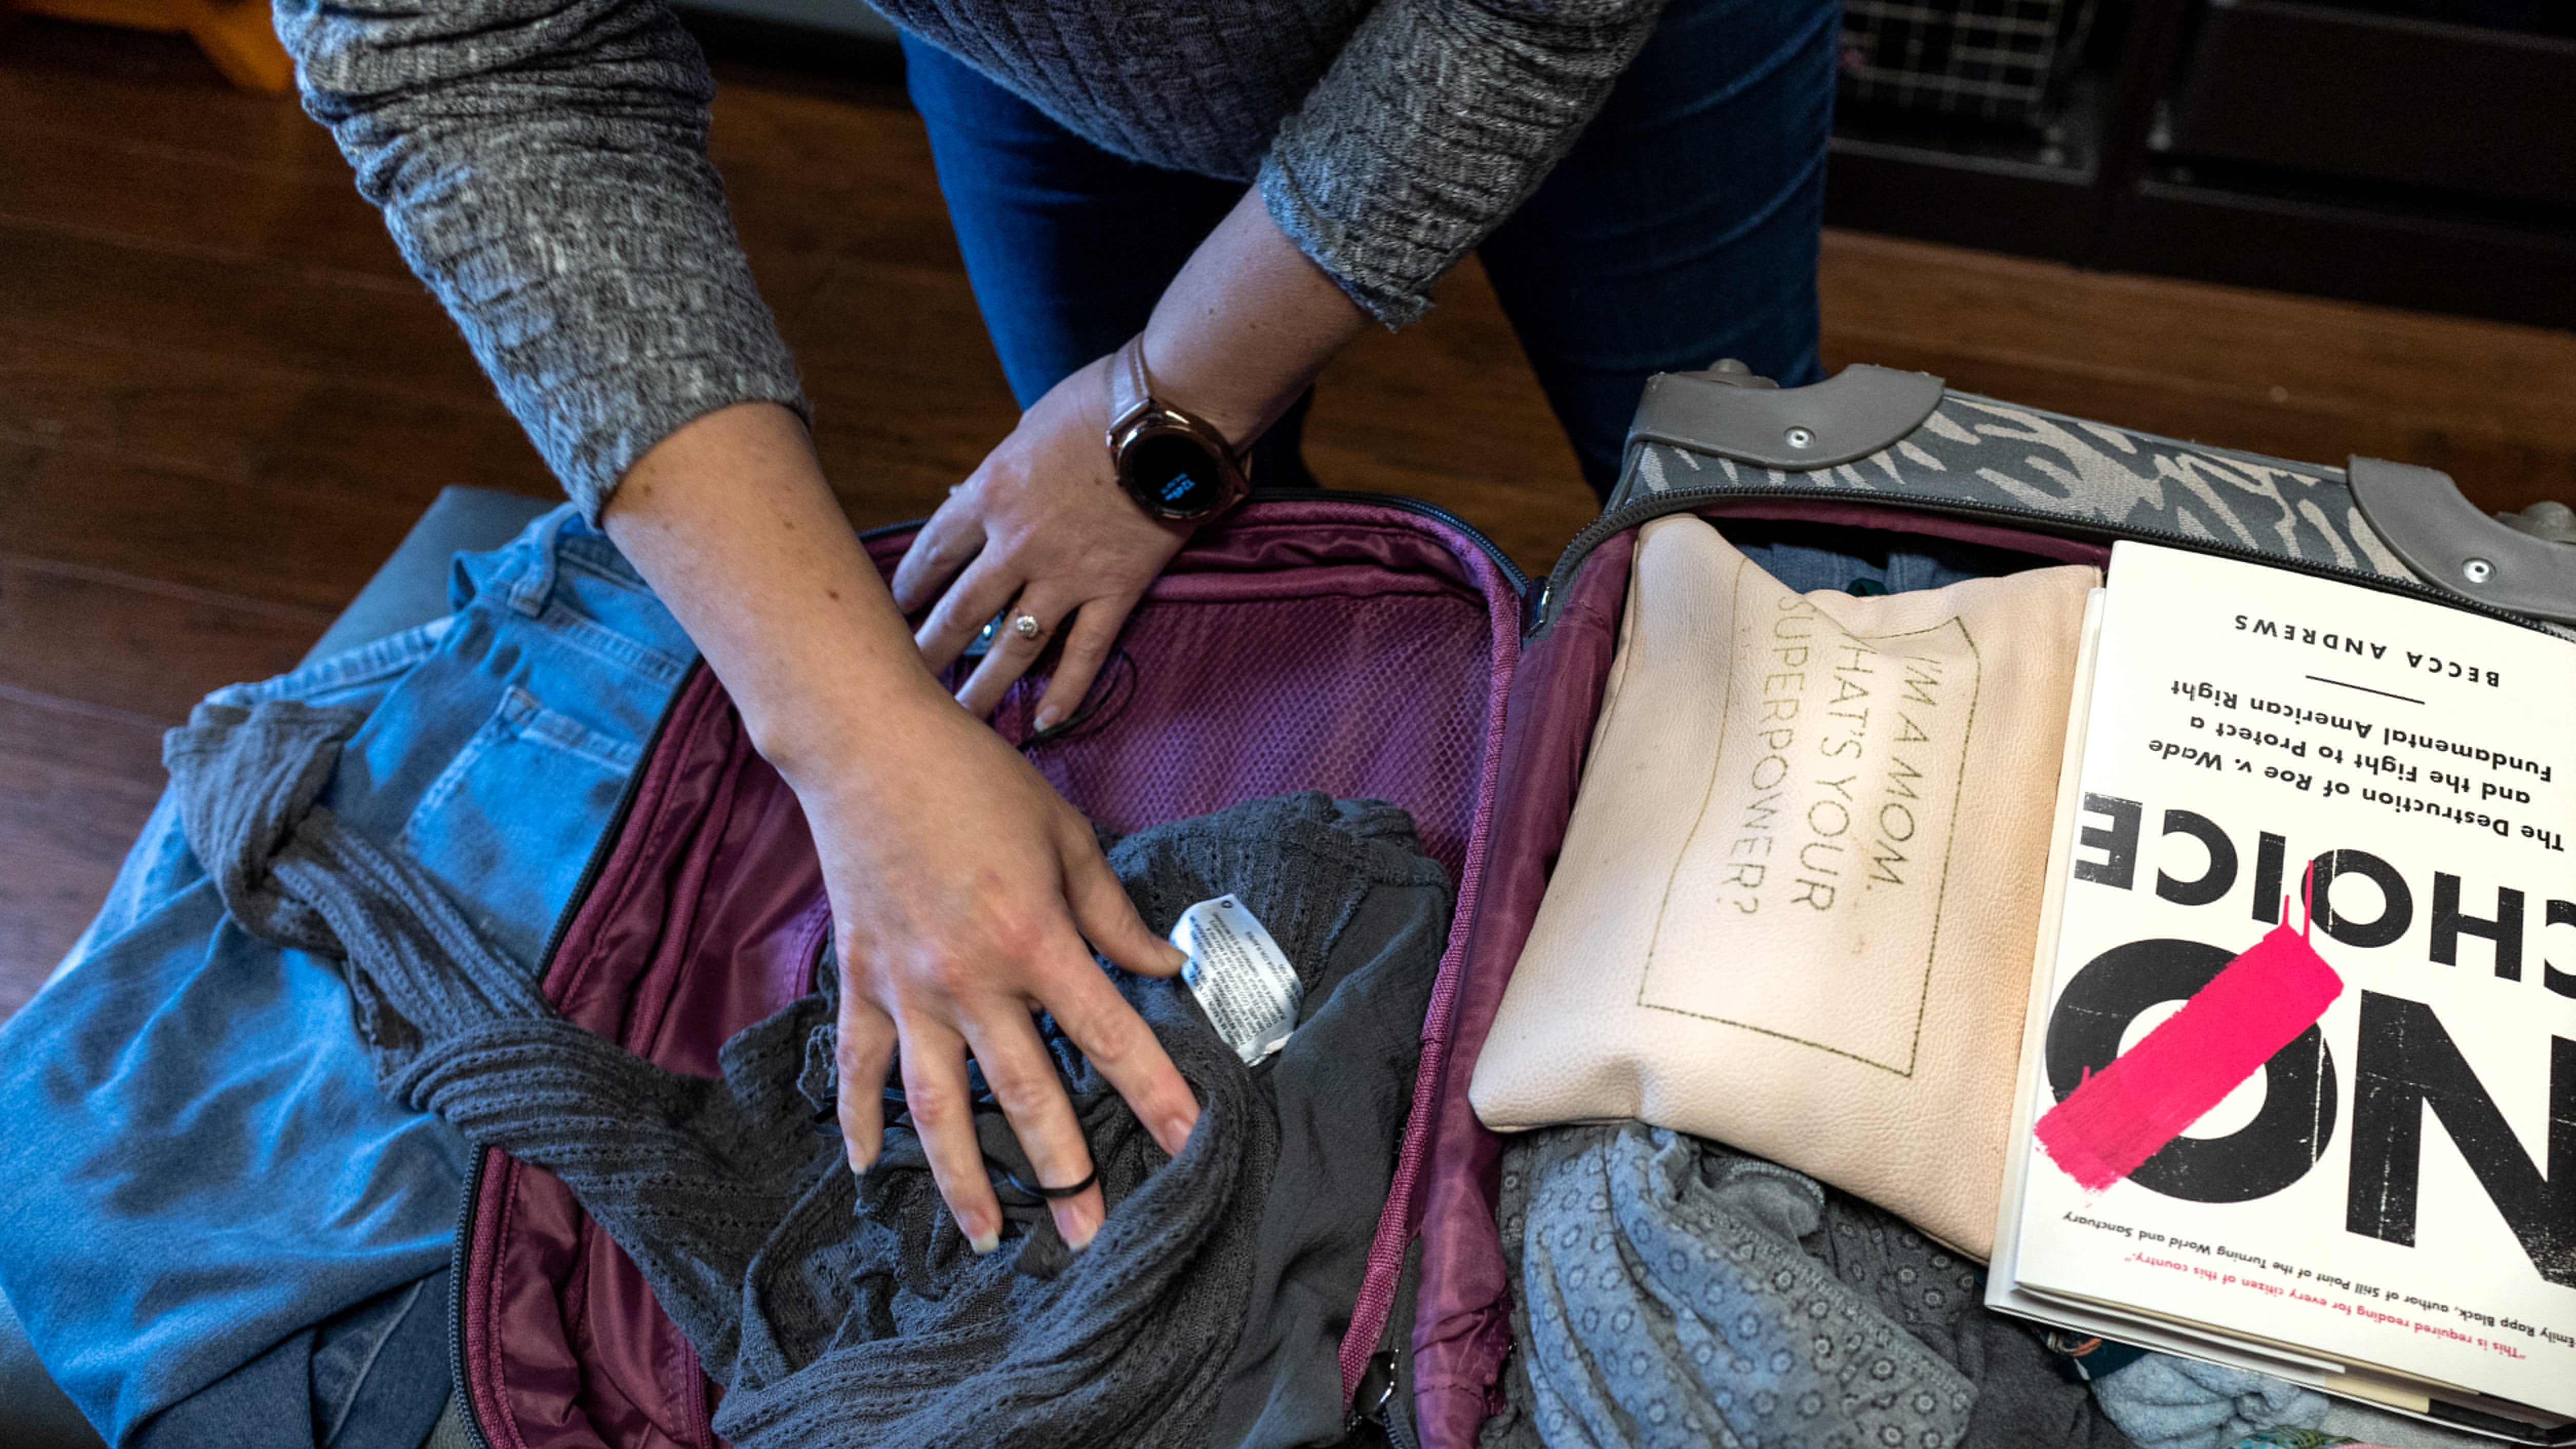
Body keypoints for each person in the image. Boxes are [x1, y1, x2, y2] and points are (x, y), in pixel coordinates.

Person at [279, 0, 1840, 1258]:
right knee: (1176, 630)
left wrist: (1170, 408)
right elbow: (462, 50)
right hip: (1048, 55)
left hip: (1620, 36)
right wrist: (859, 741)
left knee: (1752, 556)